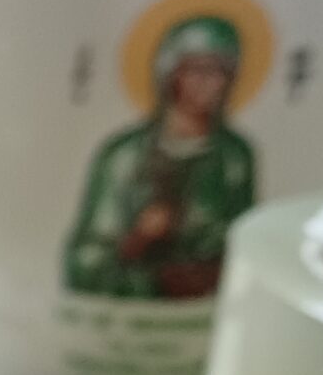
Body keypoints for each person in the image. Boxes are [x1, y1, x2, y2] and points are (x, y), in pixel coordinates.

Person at [63, 15, 256, 300]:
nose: (212, 83)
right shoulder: (123, 155)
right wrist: (138, 239)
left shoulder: (234, 157)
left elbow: (248, 245)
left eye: (222, 72)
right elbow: (84, 263)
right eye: (199, 70)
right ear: (171, 74)